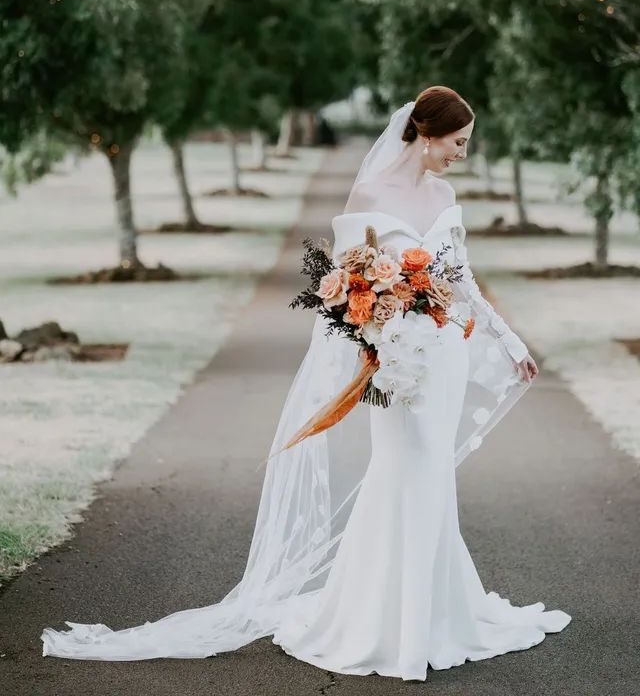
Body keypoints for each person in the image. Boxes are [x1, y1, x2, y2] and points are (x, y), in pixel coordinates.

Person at [41, 85, 571, 679]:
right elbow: (348, 289)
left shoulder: (445, 196)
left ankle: (433, 614)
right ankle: (381, 619)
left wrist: (510, 340)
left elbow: (463, 280)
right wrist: (378, 338)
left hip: (444, 355)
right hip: (395, 362)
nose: (462, 154)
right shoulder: (370, 195)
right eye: (458, 142)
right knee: (401, 468)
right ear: (425, 133)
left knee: (431, 475)